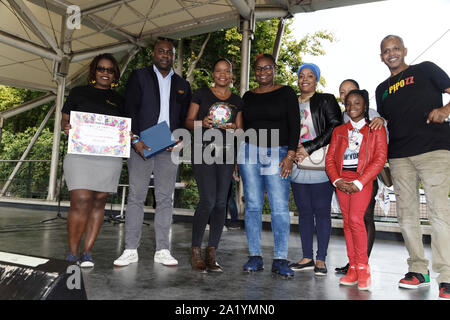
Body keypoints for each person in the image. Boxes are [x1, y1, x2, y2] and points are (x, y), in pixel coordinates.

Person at [375, 35, 450, 299]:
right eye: (386, 51)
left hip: (434, 150)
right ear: (381, 56)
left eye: (396, 48)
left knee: (439, 213)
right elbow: (388, 120)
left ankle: (447, 277)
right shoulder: (381, 88)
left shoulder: (426, 69)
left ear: (405, 51)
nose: (391, 53)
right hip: (399, 157)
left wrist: (446, 109)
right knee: (406, 216)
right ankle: (418, 270)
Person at [113, 38, 192, 267]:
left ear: (173, 56)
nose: (165, 54)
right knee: (136, 197)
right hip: (141, 144)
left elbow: (185, 117)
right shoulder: (139, 76)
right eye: (161, 51)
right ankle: (130, 249)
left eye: (169, 52)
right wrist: (135, 138)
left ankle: (163, 250)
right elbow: (130, 108)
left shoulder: (182, 84)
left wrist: (179, 139)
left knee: (165, 198)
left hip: (169, 146)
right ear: (153, 54)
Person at [238, 54, 300, 278]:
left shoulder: (286, 92)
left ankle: (281, 258)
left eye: (267, 68)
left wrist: (291, 154)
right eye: (258, 68)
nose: (262, 72)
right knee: (253, 204)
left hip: (278, 152)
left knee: (279, 206)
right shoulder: (248, 96)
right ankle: (255, 255)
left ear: (274, 69)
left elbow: (295, 123)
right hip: (249, 152)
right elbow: (243, 127)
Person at [61, 53, 124, 267]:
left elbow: (126, 128)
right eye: (101, 69)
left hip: (109, 157)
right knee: (80, 199)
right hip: (80, 154)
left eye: (109, 70)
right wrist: (66, 127)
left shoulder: (119, 99)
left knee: (98, 202)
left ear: (115, 74)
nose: (105, 73)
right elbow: (65, 119)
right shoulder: (78, 92)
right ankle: (72, 252)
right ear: (94, 72)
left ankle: (87, 252)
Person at [184, 58, 243, 273]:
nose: (222, 74)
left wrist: (231, 128)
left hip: (227, 154)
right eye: (218, 70)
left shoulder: (237, 100)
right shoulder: (201, 93)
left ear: (231, 75)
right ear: (213, 74)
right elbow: (188, 122)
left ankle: (212, 252)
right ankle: (195, 251)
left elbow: (241, 131)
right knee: (207, 200)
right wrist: (203, 123)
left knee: (220, 203)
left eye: (226, 71)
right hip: (204, 151)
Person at [326, 89, 387, 291]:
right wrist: (336, 180)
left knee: (356, 221)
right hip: (342, 182)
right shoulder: (339, 131)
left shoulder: (375, 130)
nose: (352, 107)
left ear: (365, 106)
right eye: (348, 104)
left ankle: (363, 268)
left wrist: (360, 182)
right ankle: (352, 266)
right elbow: (330, 159)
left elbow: (379, 158)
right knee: (346, 223)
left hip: (362, 182)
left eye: (357, 103)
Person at [289, 63, 342, 276]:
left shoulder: (326, 100)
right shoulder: (290, 102)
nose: (304, 79)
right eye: (301, 75)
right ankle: (307, 257)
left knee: (321, 211)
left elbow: (335, 126)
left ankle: (321, 259)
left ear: (316, 80)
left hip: (320, 162)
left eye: (310, 76)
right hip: (296, 163)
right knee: (304, 212)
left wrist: (309, 148)